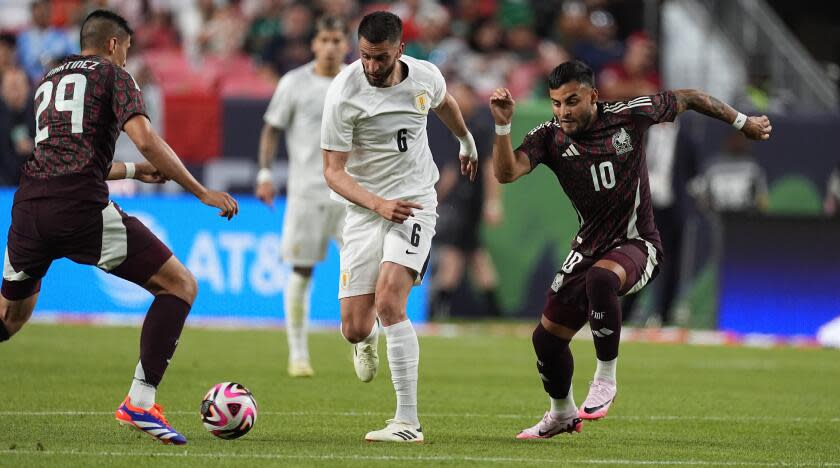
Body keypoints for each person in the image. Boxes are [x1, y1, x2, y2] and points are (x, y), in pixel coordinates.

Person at [488, 60, 771, 439]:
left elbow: (689, 98)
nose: (563, 112)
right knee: (546, 339)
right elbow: (507, 173)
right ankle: (561, 413)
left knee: (602, 277)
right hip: (589, 245)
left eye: (571, 101)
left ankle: (605, 378)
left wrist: (743, 122)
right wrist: (503, 125)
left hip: (638, 242)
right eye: (556, 103)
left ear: (592, 95)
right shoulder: (550, 136)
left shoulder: (630, 115)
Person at [0, 10, 239, 445]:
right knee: (179, 286)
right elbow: (146, 136)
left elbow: (64, 156)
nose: (128, 56)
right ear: (113, 44)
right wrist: (201, 191)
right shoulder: (114, 75)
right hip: (79, 208)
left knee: (9, 318)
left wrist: (133, 169)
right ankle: (140, 402)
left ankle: (141, 403)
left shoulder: (49, 80)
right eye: (127, 47)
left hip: (29, 208)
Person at [321, 11, 478, 442]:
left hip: (413, 204)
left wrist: (466, 141)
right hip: (365, 208)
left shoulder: (425, 76)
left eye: (381, 58)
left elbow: (446, 104)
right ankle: (365, 339)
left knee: (391, 301)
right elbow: (333, 171)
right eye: (366, 56)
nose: (371, 66)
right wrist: (377, 203)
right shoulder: (344, 92)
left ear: (401, 51)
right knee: (355, 325)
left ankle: (407, 422)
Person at [255, 16, 349, 378]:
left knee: (361, 269)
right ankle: (297, 353)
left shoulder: (356, 80)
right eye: (324, 39)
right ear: (314, 44)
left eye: (336, 40)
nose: (329, 46)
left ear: (345, 45)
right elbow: (271, 131)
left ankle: (360, 342)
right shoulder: (294, 82)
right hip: (307, 192)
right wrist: (264, 174)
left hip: (351, 194)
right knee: (301, 268)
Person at [431, 81, 503, 319]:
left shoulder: (481, 126)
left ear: (472, 97)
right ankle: (495, 312)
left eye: (459, 94)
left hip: (471, 201)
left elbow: (489, 166)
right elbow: (453, 168)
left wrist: (492, 203)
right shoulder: (459, 126)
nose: (454, 100)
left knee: (454, 252)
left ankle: (439, 309)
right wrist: (436, 197)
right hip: (460, 200)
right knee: (475, 255)